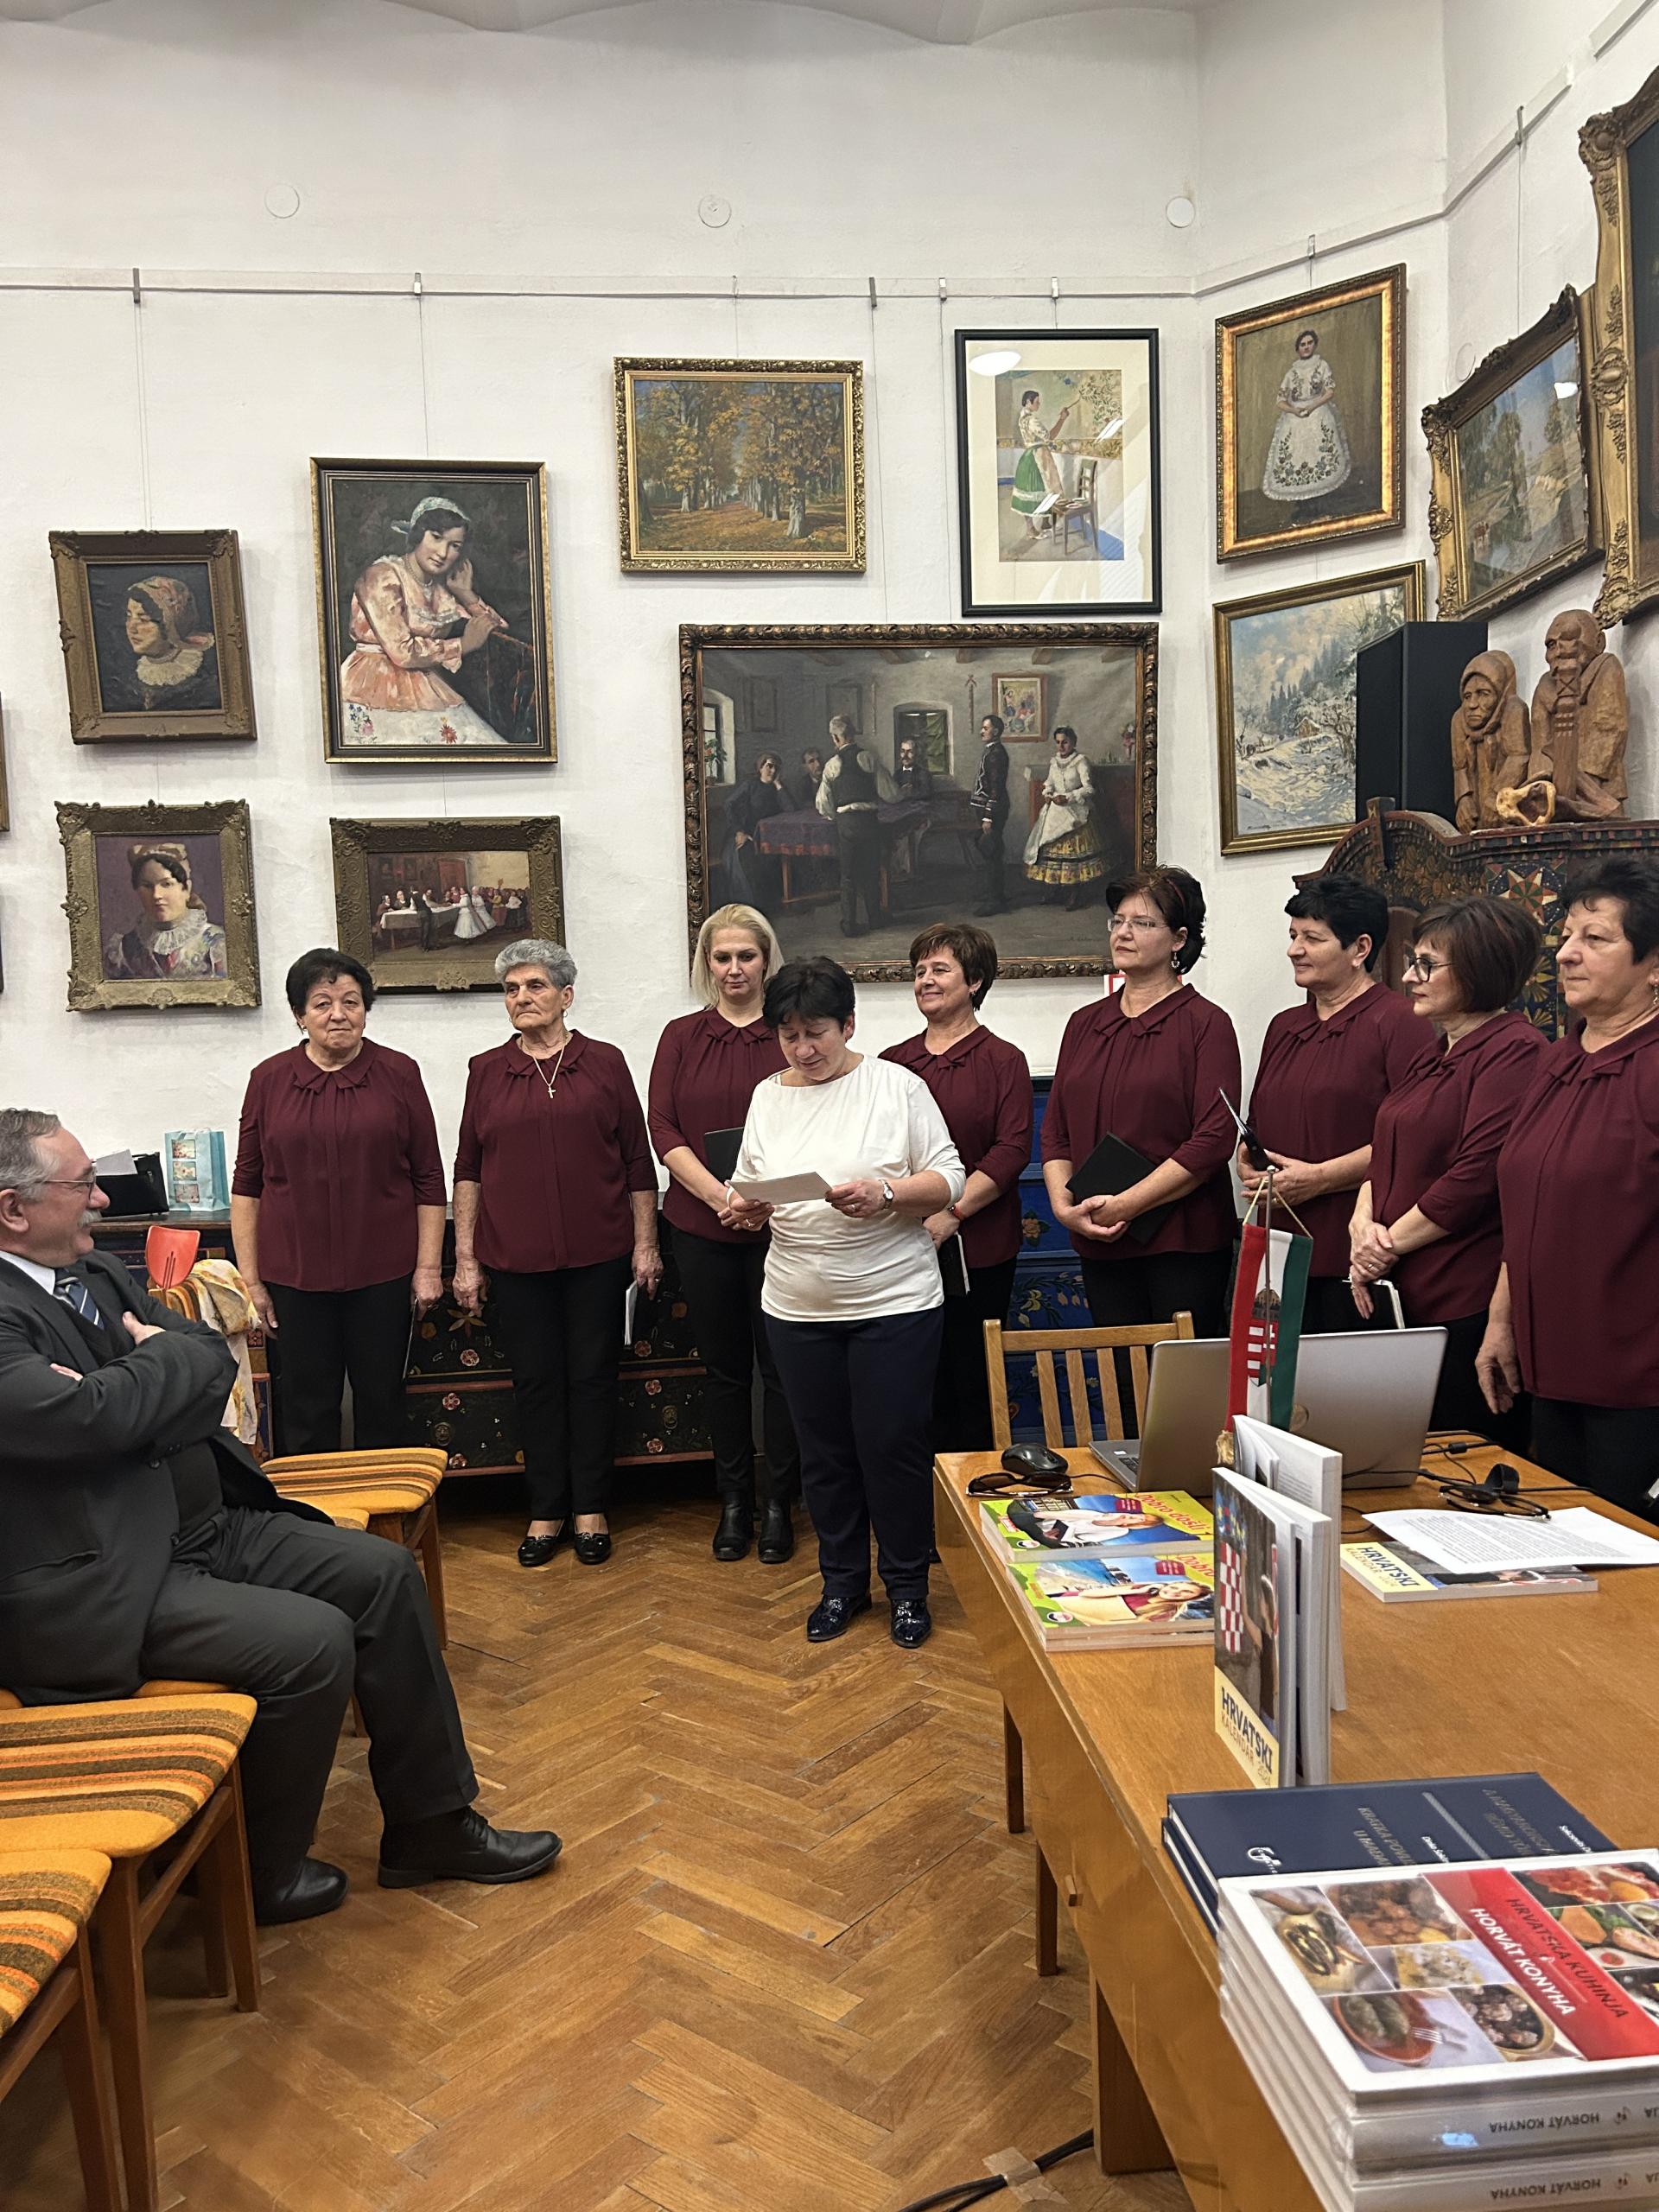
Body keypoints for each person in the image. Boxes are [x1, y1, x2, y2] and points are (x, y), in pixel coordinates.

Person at [0, 1109, 560, 1925]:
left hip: (205, 1523)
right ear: (13, 1209)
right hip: (110, 1573)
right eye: (83, 1184)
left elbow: (201, 1355)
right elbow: (87, 1421)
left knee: (382, 1573)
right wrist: (147, 1374)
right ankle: (254, 1874)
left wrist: (141, 1375)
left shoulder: (92, 1271)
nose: (100, 1199)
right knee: (311, 1642)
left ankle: (432, 1825)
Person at [725, 958, 965, 1649]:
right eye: (789, 1036)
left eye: (817, 1033)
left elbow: (949, 1178)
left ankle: (908, 1589)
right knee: (823, 1454)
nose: (804, 1050)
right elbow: (751, 1182)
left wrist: (886, 1194)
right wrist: (746, 1207)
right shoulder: (768, 1096)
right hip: (798, 1306)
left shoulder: (897, 1086)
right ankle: (841, 1585)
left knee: (893, 1447)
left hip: (894, 1301)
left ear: (850, 1024)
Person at [452, 940, 662, 1568]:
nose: (522, 998)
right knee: (536, 1384)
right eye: (511, 989)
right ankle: (546, 1510)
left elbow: (637, 1161)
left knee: (593, 1381)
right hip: (515, 1261)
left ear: (566, 996)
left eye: (535, 986)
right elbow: (468, 1167)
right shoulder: (486, 1070)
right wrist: (465, 1258)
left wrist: (646, 1244)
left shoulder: (605, 1063)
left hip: (599, 1254)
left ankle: (591, 1507)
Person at [1478, 860, 1659, 1516]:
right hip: (1548, 1369)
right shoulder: (1556, 1060)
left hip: (1637, 1385)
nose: (1567, 954)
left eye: (1596, 939)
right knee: (1558, 1547)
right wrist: (1501, 1322)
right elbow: (1524, 1211)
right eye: (1566, 936)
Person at [232, 949, 446, 1456]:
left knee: (382, 1402)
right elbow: (248, 1183)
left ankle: (384, 1503)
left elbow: (428, 1177)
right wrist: (252, 1281)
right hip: (294, 1277)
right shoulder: (268, 1079)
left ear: (366, 1010)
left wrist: (428, 1268)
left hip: (383, 1275)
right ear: (299, 1015)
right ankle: (313, 1505)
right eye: (322, 1003)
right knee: (306, 1406)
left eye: (351, 1001)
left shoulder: (399, 1073)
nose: (338, 1014)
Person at [1348, 898, 1544, 1444]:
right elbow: (1384, 1155)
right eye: (1413, 960)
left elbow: (1475, 1178)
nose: (1410, 976)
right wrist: (1361, 1227)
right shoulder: (1435, 1051)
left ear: (1480, 968)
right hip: (1399, 1292)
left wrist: (1383, 1246)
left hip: (1462, 1297)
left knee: (1460, 1459)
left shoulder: (1515, 1050)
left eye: (1427, 964)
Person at [648, 905, 800, 1565]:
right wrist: (721, 1198)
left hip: (783, 1231)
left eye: (746, 956)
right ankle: (735, 1502)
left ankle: (781, 1503)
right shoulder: (681, 1036)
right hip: (701, 1229)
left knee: (783, 1372)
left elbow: (812, 1121)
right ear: (706, 964)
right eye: (722, 957)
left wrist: (762, 1203)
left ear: (766, 960)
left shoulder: (790, 1033)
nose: (734, 969)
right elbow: (662, 1128)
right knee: (724, 1374)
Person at [1042, 868, 1239, 1338]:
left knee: (1182, 1380)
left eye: (1143, 923)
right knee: (1120, 1376)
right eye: (1118, 921)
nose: (1123, 933)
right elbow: (1055, 1131)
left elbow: (1214, 1140)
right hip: (1098, 1235)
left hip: (1182, 1243)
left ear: (1179, 939)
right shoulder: (1084, 1023)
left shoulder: (1206, 1024)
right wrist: (1064, 1207)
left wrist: (1126, 1204)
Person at [1243, 877, 1438, 1333]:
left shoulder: (1400, 1021)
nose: (1294, 950)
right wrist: (1245, 1158)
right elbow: (1256, 1120)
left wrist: (1318, 1179)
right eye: (1293, 936)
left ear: (1360, 948)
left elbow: (1414, 1140)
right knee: (1279, 1375)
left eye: (1312, 938)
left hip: (1355, 1242)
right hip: (1276, 1244)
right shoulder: (1284, 1026)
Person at [881, 923, 1033, 1452]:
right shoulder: (892, 1063)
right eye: (919, 970)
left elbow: (1011, 1150)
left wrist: (953, 1214)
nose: (925, 979)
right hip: (905, 1247)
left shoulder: (1003, 1060)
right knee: (915, 1382)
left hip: (981, 1246)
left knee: (973, 1378)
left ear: (975, 981)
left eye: (940, 970)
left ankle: (976, 1489)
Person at [339, 495, 510, 750]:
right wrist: (462, 645)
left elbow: (499, 634)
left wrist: (466, 595)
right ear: (418, 534)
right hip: (372, 683)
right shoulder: (382, 576)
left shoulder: (441, 590)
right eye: (436, 537)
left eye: (454, 546)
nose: (443, 553)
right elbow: (402, 652)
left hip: (424, 683)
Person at [103, 842, 228, 982]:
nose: (156, 895)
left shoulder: (215, 942)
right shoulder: (124, 948)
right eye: (147, 886)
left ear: (186, 888)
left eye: (166, 884)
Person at [816, 714, 894, 938]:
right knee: (871, 871)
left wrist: (834, 815)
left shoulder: (832, 765)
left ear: (835, 738)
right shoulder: (869, 758)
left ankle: (849, 924)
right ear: (852, 734)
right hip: (869, 822)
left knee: (848, 875)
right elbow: (890, 793)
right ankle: (875, 918)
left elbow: (823, 804)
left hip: (846, 824)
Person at [1261, 327, 1351, 511]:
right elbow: (1280, 401)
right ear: (1298, 349)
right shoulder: (1291, 373)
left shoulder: (1322, 365)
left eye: (1310, 343)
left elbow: (1329, 391)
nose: (1307, 347)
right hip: (1295, 418)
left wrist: (1312, 406)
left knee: (1319, 452)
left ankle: (1322, 500)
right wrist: (1293, 410)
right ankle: (1302, 504)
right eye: (1303, 344)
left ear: (1315, 345)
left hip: (1318, 412)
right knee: (1297, 454)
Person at [114, 575, 221, 713]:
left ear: (171, 625)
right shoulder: (128, 676)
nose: (132, 628)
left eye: (144, 619)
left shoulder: (204, 679)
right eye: (129, 617)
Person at [1024, 727, 1104, 909]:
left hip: (1076, 811)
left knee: (1073, 854)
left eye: (1065, 742)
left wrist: (1068, 797)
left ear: (1073, 742)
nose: (1061, 746)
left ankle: (1075, 893)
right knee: (1049, 849)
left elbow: (1089, 789)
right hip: (1055, 811)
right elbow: (1049, 783)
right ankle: (1056, 891)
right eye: (1058, 742)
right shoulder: (1054, 762)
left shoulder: (1081, 761)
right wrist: (1048, 793)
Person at [1451, 652, 1530, 833]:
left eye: (1483, 694)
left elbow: (1519, 757)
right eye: (1467, 696)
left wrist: (1496, 796)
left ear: (1500, 693)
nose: (1472, 704)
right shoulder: (1459, 719)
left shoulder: (1513, 710)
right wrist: (1463, 799)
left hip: (1506, 813)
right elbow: (1460, 766)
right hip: (1475, 822)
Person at [722, 751, 791, 913]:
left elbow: (791, 810)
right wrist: (739, 831)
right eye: (769, 766)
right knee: (750, 863)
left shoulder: (777, 788)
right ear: (760, 768)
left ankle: (773, 908)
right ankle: (754, 910)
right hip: (746, 835)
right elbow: (728, 804)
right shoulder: (750, 785)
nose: (773, 771)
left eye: (776, 768)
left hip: (768, 837)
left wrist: (778, 785)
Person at [1011, 387, 1072, 532]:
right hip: (1037, 457)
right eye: (1037, 402)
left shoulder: (1022, 418)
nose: (1039, 404)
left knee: (1042, 489)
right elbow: (1050, 437)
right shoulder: (1032, 420)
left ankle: (1041, 524)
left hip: (1029, 456)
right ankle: (1032, 528)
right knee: (1043, 488)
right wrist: (1062, 419)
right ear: (1028, 401)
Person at [969, 712, 1012, 917]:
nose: (982, 732)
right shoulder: (991, 750)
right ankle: (996, 894)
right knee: (990, 851)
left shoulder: (996, 754)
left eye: (985, 728)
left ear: (995, 731)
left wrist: (988, 816)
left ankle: (994, 901)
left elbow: (996, 788)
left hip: (993, 810)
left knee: (992, 852)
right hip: (988, 809)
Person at [894, 735, 934, 800]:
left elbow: (927, 794)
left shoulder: (924, 774)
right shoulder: (897, 774)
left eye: (910, 752)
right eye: (902, 751)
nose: (905, 756)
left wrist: (912, 791)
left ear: (917, 753)